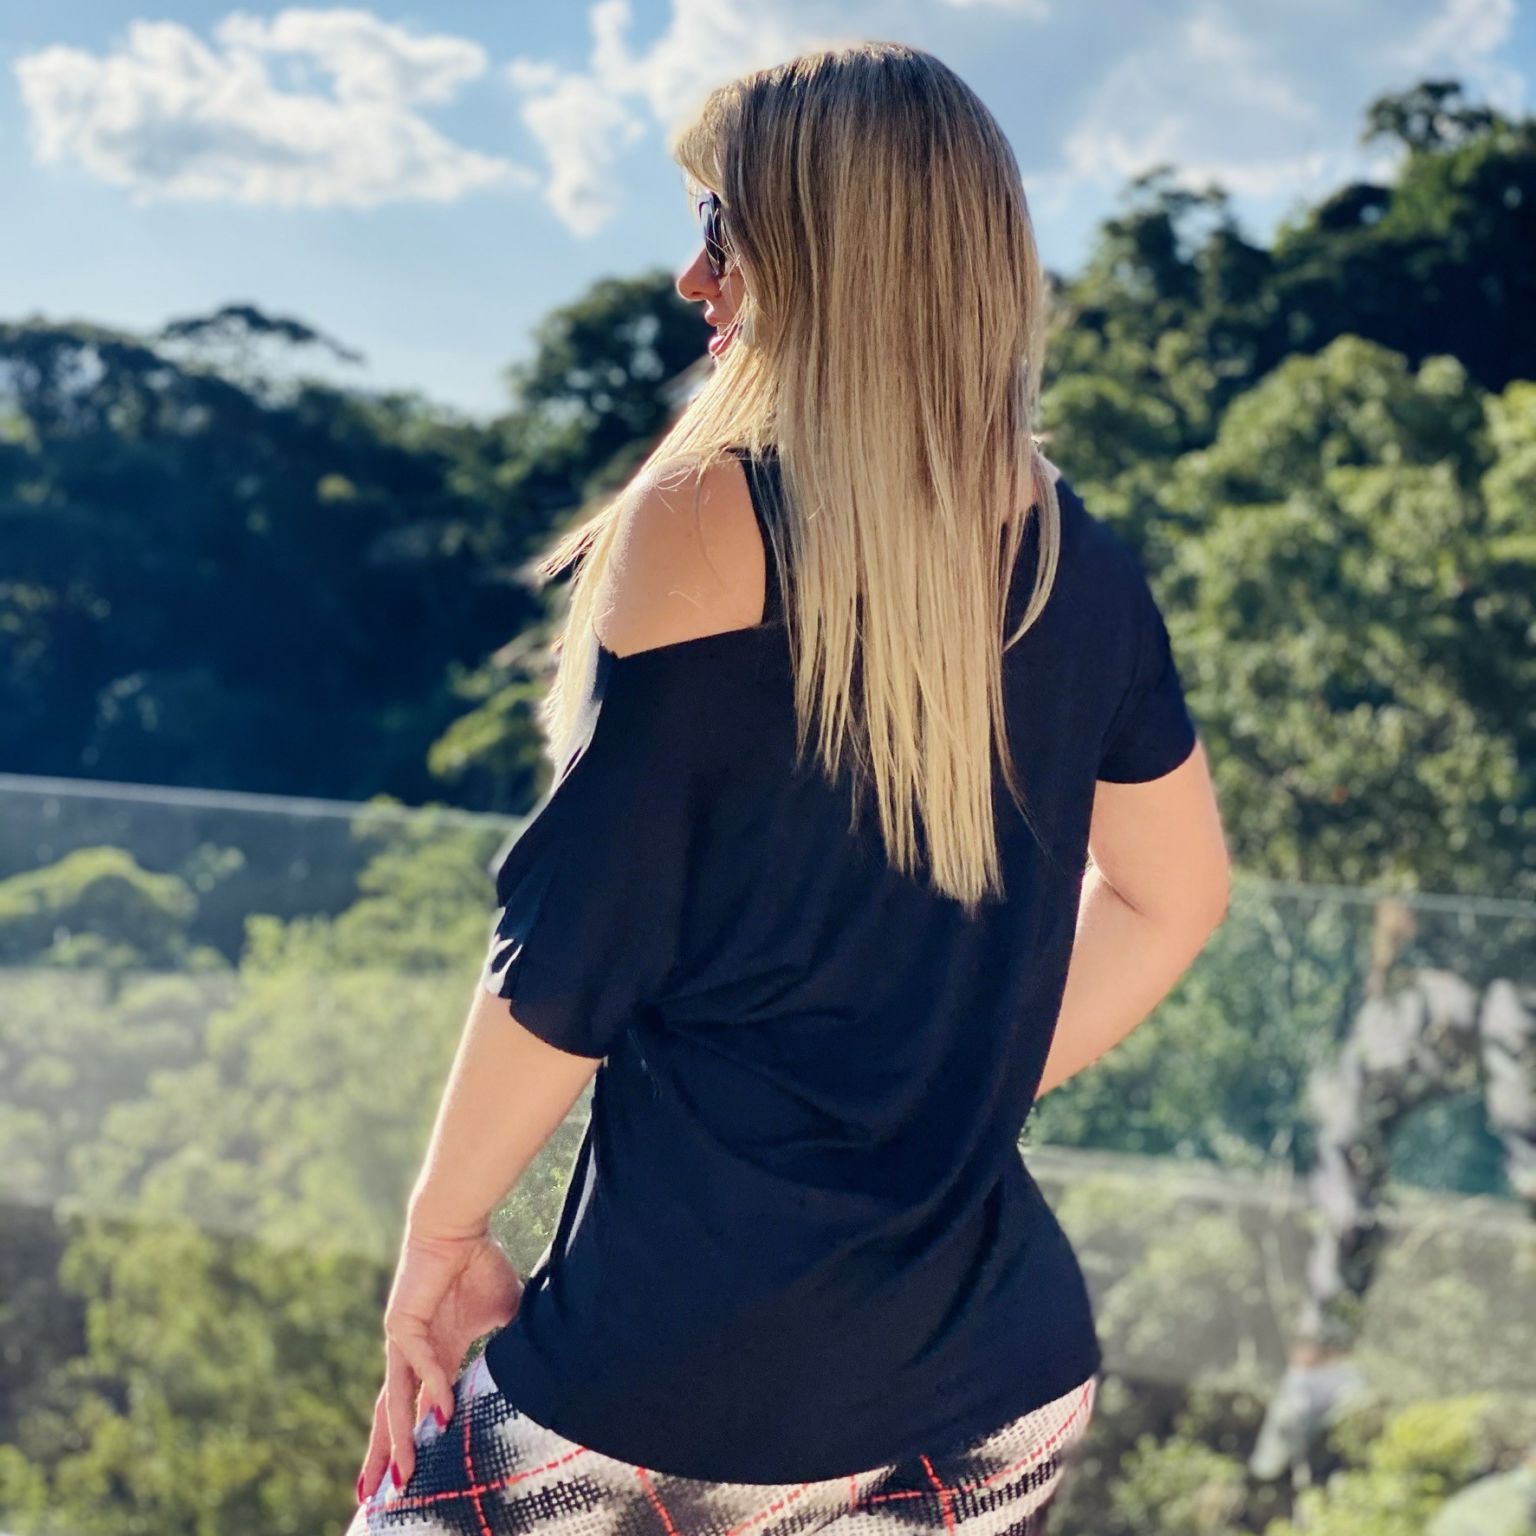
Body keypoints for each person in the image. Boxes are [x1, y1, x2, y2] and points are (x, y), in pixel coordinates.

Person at [348, 39, 1231, 1536]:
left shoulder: (713, 518)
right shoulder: (1073, 558)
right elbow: (1174, 897)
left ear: (834, 255)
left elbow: (577, 948)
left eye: (722, 226)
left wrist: (442, 1236)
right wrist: (934, 1093)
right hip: (1000, 1383)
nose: (696, 277)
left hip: (674, 1382)